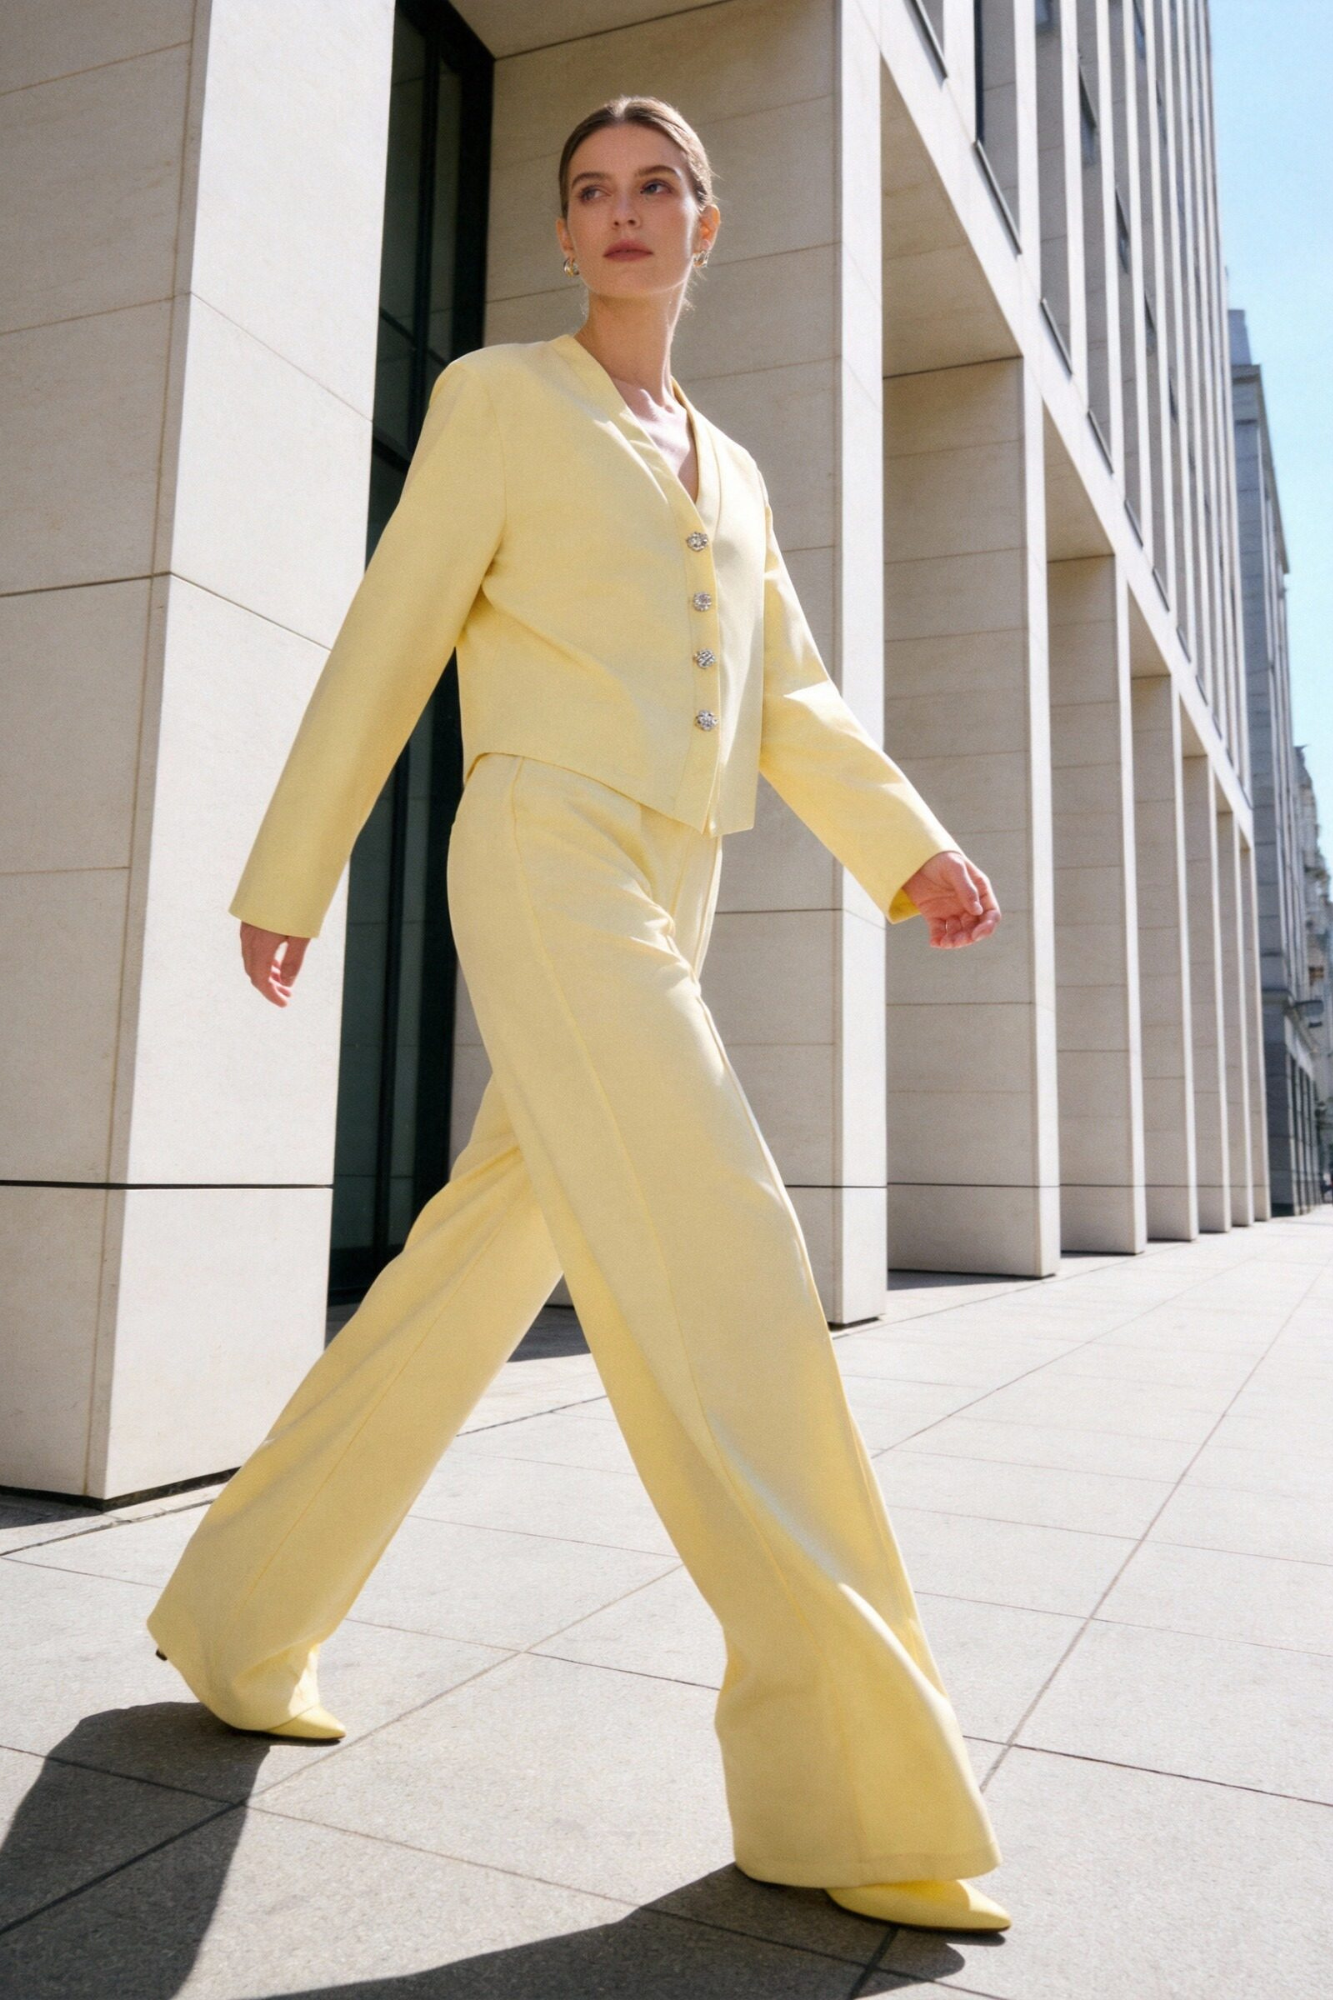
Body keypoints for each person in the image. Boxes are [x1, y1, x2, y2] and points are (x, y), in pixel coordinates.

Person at [147, 95, 1009, 1935]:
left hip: (671, 879)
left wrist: (912, 854)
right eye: (591, 193)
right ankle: (845, 1776)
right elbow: (394, 625)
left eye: (656, 191)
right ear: (566, 236)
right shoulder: (494, 398)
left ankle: (237, 1617)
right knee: (729, 1248)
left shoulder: (738, 468)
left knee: (473, 1262)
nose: (622, 216)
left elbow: (794, 701)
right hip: (538, 855)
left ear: (711, 226)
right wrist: (291, 872)